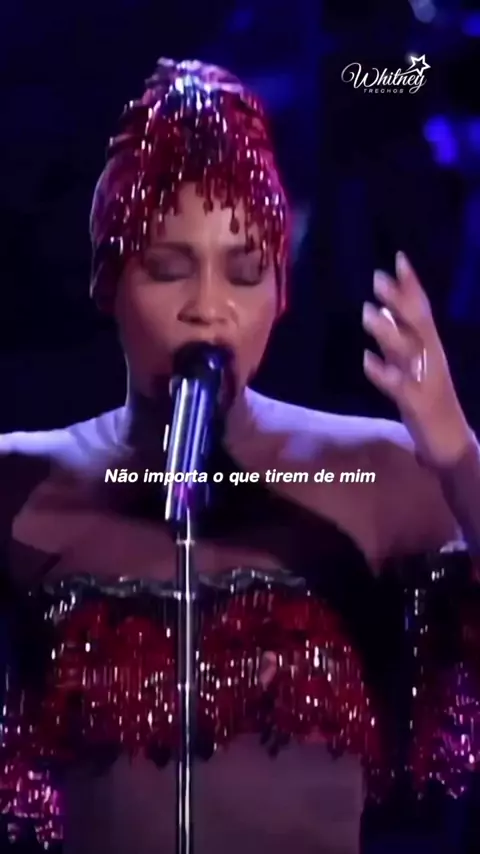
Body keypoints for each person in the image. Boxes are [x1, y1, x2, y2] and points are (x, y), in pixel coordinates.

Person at [1, 57, 480, 854]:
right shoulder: (23, 478)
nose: (208, 309)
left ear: (281, 290)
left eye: (246, 272)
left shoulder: (377, 472)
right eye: (168, 268)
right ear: (109, 278)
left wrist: (458, 453)